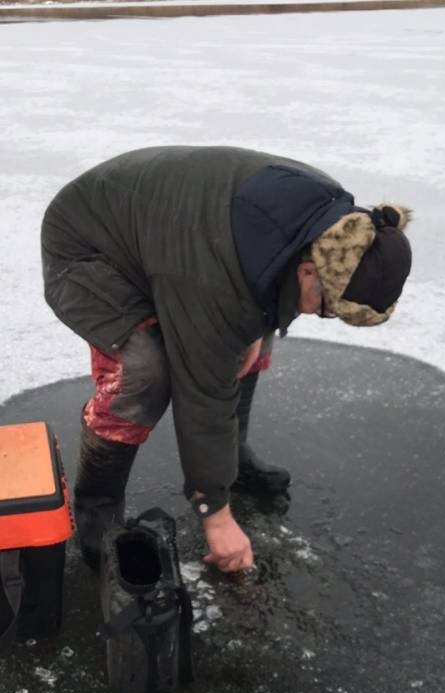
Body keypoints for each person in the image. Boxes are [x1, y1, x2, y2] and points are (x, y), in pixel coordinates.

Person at [41, 146, 412, 573]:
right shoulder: (213, 282)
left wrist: (256, 328)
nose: (320, 316)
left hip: (169, 239)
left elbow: (262, 286)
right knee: (145, 373)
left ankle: (231, 461)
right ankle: (97, 516)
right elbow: (203, 395)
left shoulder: (334, 225)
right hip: (88, 248)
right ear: (309, 271)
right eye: (327, 309)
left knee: (251, 336)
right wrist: (214, 515)